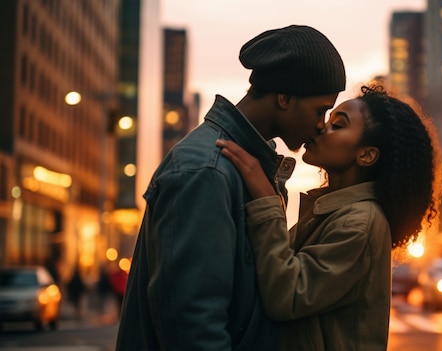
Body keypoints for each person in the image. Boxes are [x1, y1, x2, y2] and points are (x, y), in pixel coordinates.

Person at [116, 25, 346, 351]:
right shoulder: (206, 170)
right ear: (285, 98)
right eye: (319, 109)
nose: (321, 124)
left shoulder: (243, 167)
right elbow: (194, 325)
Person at [216, 85, 442, 350]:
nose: (321, 127)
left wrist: (266, 198)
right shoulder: (334, 212)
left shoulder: (359, 223)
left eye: (338, 125)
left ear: (366, 155)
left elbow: (286, 296)